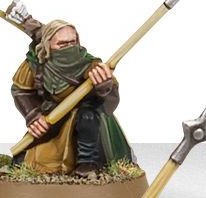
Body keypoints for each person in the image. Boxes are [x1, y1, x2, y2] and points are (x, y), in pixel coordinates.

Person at [11, 18, 134, 176]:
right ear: (48, 45)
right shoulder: (36, 64)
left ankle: (87, 163)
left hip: (87, 118)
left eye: (72, 42)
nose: (69, 47)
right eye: (62, 44)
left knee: (87, 117)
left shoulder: (89, 64)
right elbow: (21, 90)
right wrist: (33, 116)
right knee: (25, 157)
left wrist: (104, 86)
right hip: (52, 115)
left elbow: (110, 99)